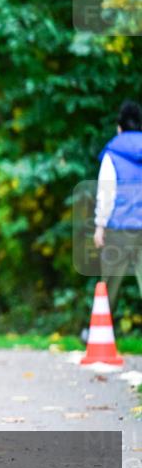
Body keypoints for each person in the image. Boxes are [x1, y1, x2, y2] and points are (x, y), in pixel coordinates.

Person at [93, 99, 142, 319]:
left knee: (109, 286)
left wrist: (100, 226)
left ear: (119, 127)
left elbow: (106, 192)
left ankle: (100, 338)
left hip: (120, 228)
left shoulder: (113, 153)